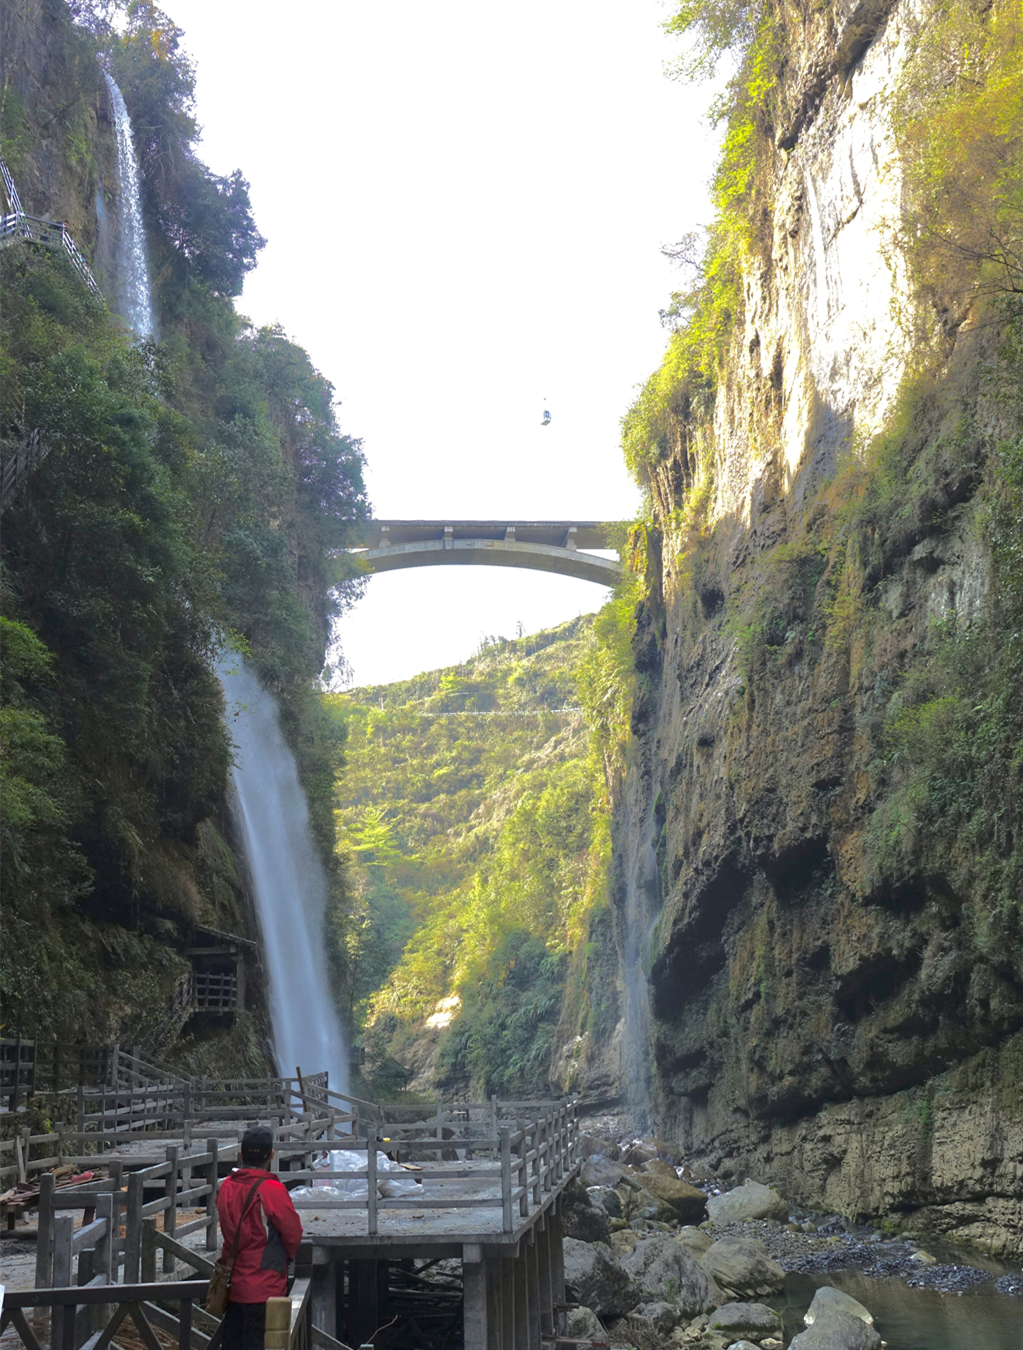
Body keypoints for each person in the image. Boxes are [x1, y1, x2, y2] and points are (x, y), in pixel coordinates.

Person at [216, 1126, 303, 1350]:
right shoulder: (272, 1190)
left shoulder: (226, 1187)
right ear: (271, 1155)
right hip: (267, 1285)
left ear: (241, 1155)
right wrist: (287, 1256)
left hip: (234, 1283)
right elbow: (293, 1234)